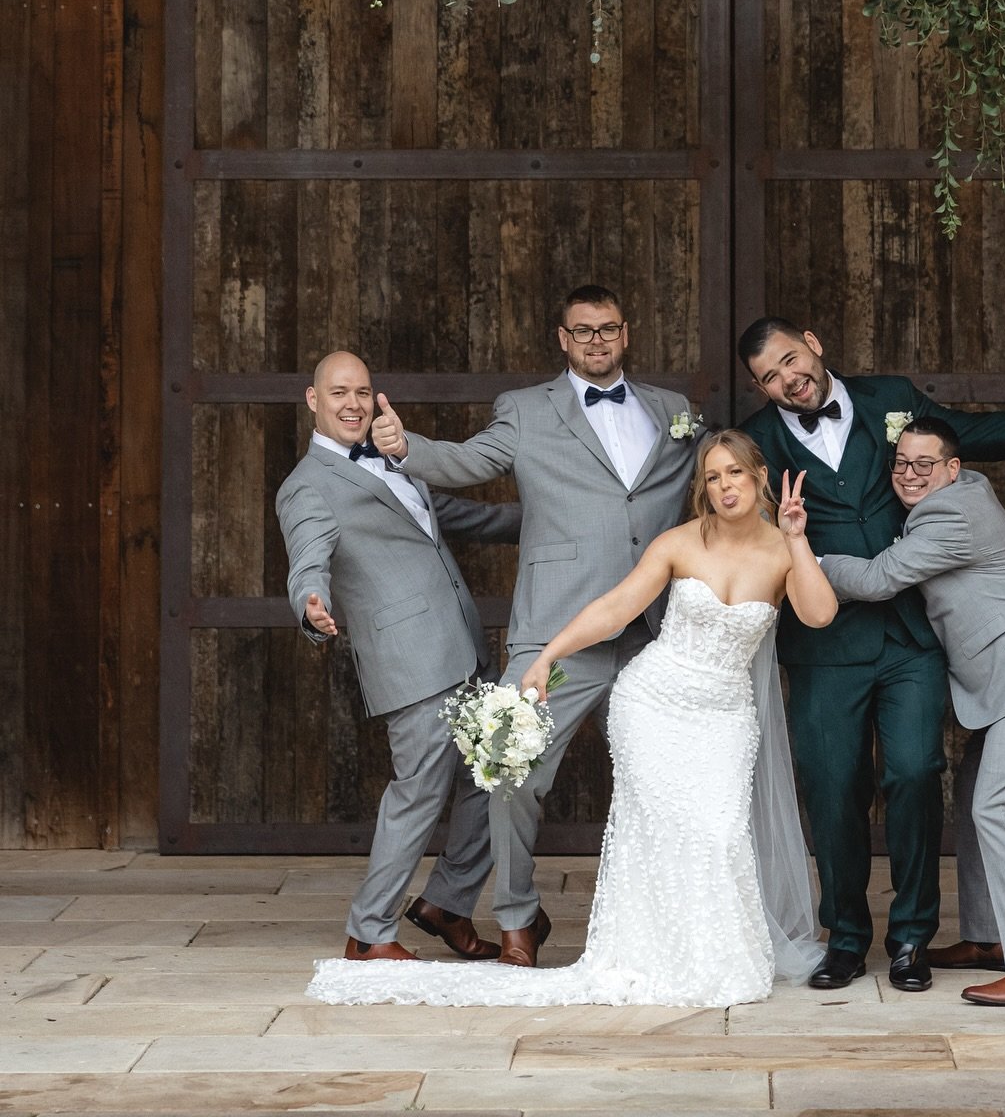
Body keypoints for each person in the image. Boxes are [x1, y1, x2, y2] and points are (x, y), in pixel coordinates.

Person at [307, 429, 834, 1009]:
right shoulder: (680, 543)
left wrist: (797, 539)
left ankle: (711, 956)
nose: (724, 486)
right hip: (654, 705)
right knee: (659, 832)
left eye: (734, 473)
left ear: (759, 477)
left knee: (717, 831)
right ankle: (647, 956)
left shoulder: (784, 552)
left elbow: (817, 613)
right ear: (702, 489)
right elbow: (613, 609)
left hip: (725, 716)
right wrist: (548, 655)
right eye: (712, 476)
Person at [737, 316, 1005, 992]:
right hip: (824, 644)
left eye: (791, 360)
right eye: (769, 378)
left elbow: (978, 433)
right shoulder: (754, 442)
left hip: (912, 642)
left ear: (814, 342)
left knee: (915, 776)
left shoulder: (890, 399)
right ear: (760, 388)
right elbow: (728, 513)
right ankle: (845, 937)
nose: (789, 380)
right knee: (833, 788)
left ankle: (911, 938)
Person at [368, 284, 699, 965]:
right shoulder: (524, 410)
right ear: (562, 338)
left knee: (670, 780)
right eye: (583, 331)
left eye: (608, 329)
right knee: (510, 775)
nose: (596, 342)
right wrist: (407, 448)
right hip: (555, 630)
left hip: (654, 632)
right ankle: (517, 918)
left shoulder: (675, 412)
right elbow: (469, 461)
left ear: (626, 332)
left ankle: (677, 922)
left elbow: (713, 488)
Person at [823, 418, 1005, 1006]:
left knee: (999, 808)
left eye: (924, 464)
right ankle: (990, 939)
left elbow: (877, 580)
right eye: (901, 463)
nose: (908, 474)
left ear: (952, 469)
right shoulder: (961, 497)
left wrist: (806, 560)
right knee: (982, 802)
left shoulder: (950, 513)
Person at [275, 351, 520, 962]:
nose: (354, 404)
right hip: (411, 661)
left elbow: (458, 518)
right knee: (418, 793)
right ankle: (369, 929)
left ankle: (448, 904)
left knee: (500, 776)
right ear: (313, 401)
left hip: (463, 645)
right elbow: (309, 552)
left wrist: (560, 518)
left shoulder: (392, 459)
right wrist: (310, 604)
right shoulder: (306, 485)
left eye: (362, 391)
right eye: (339, 393)